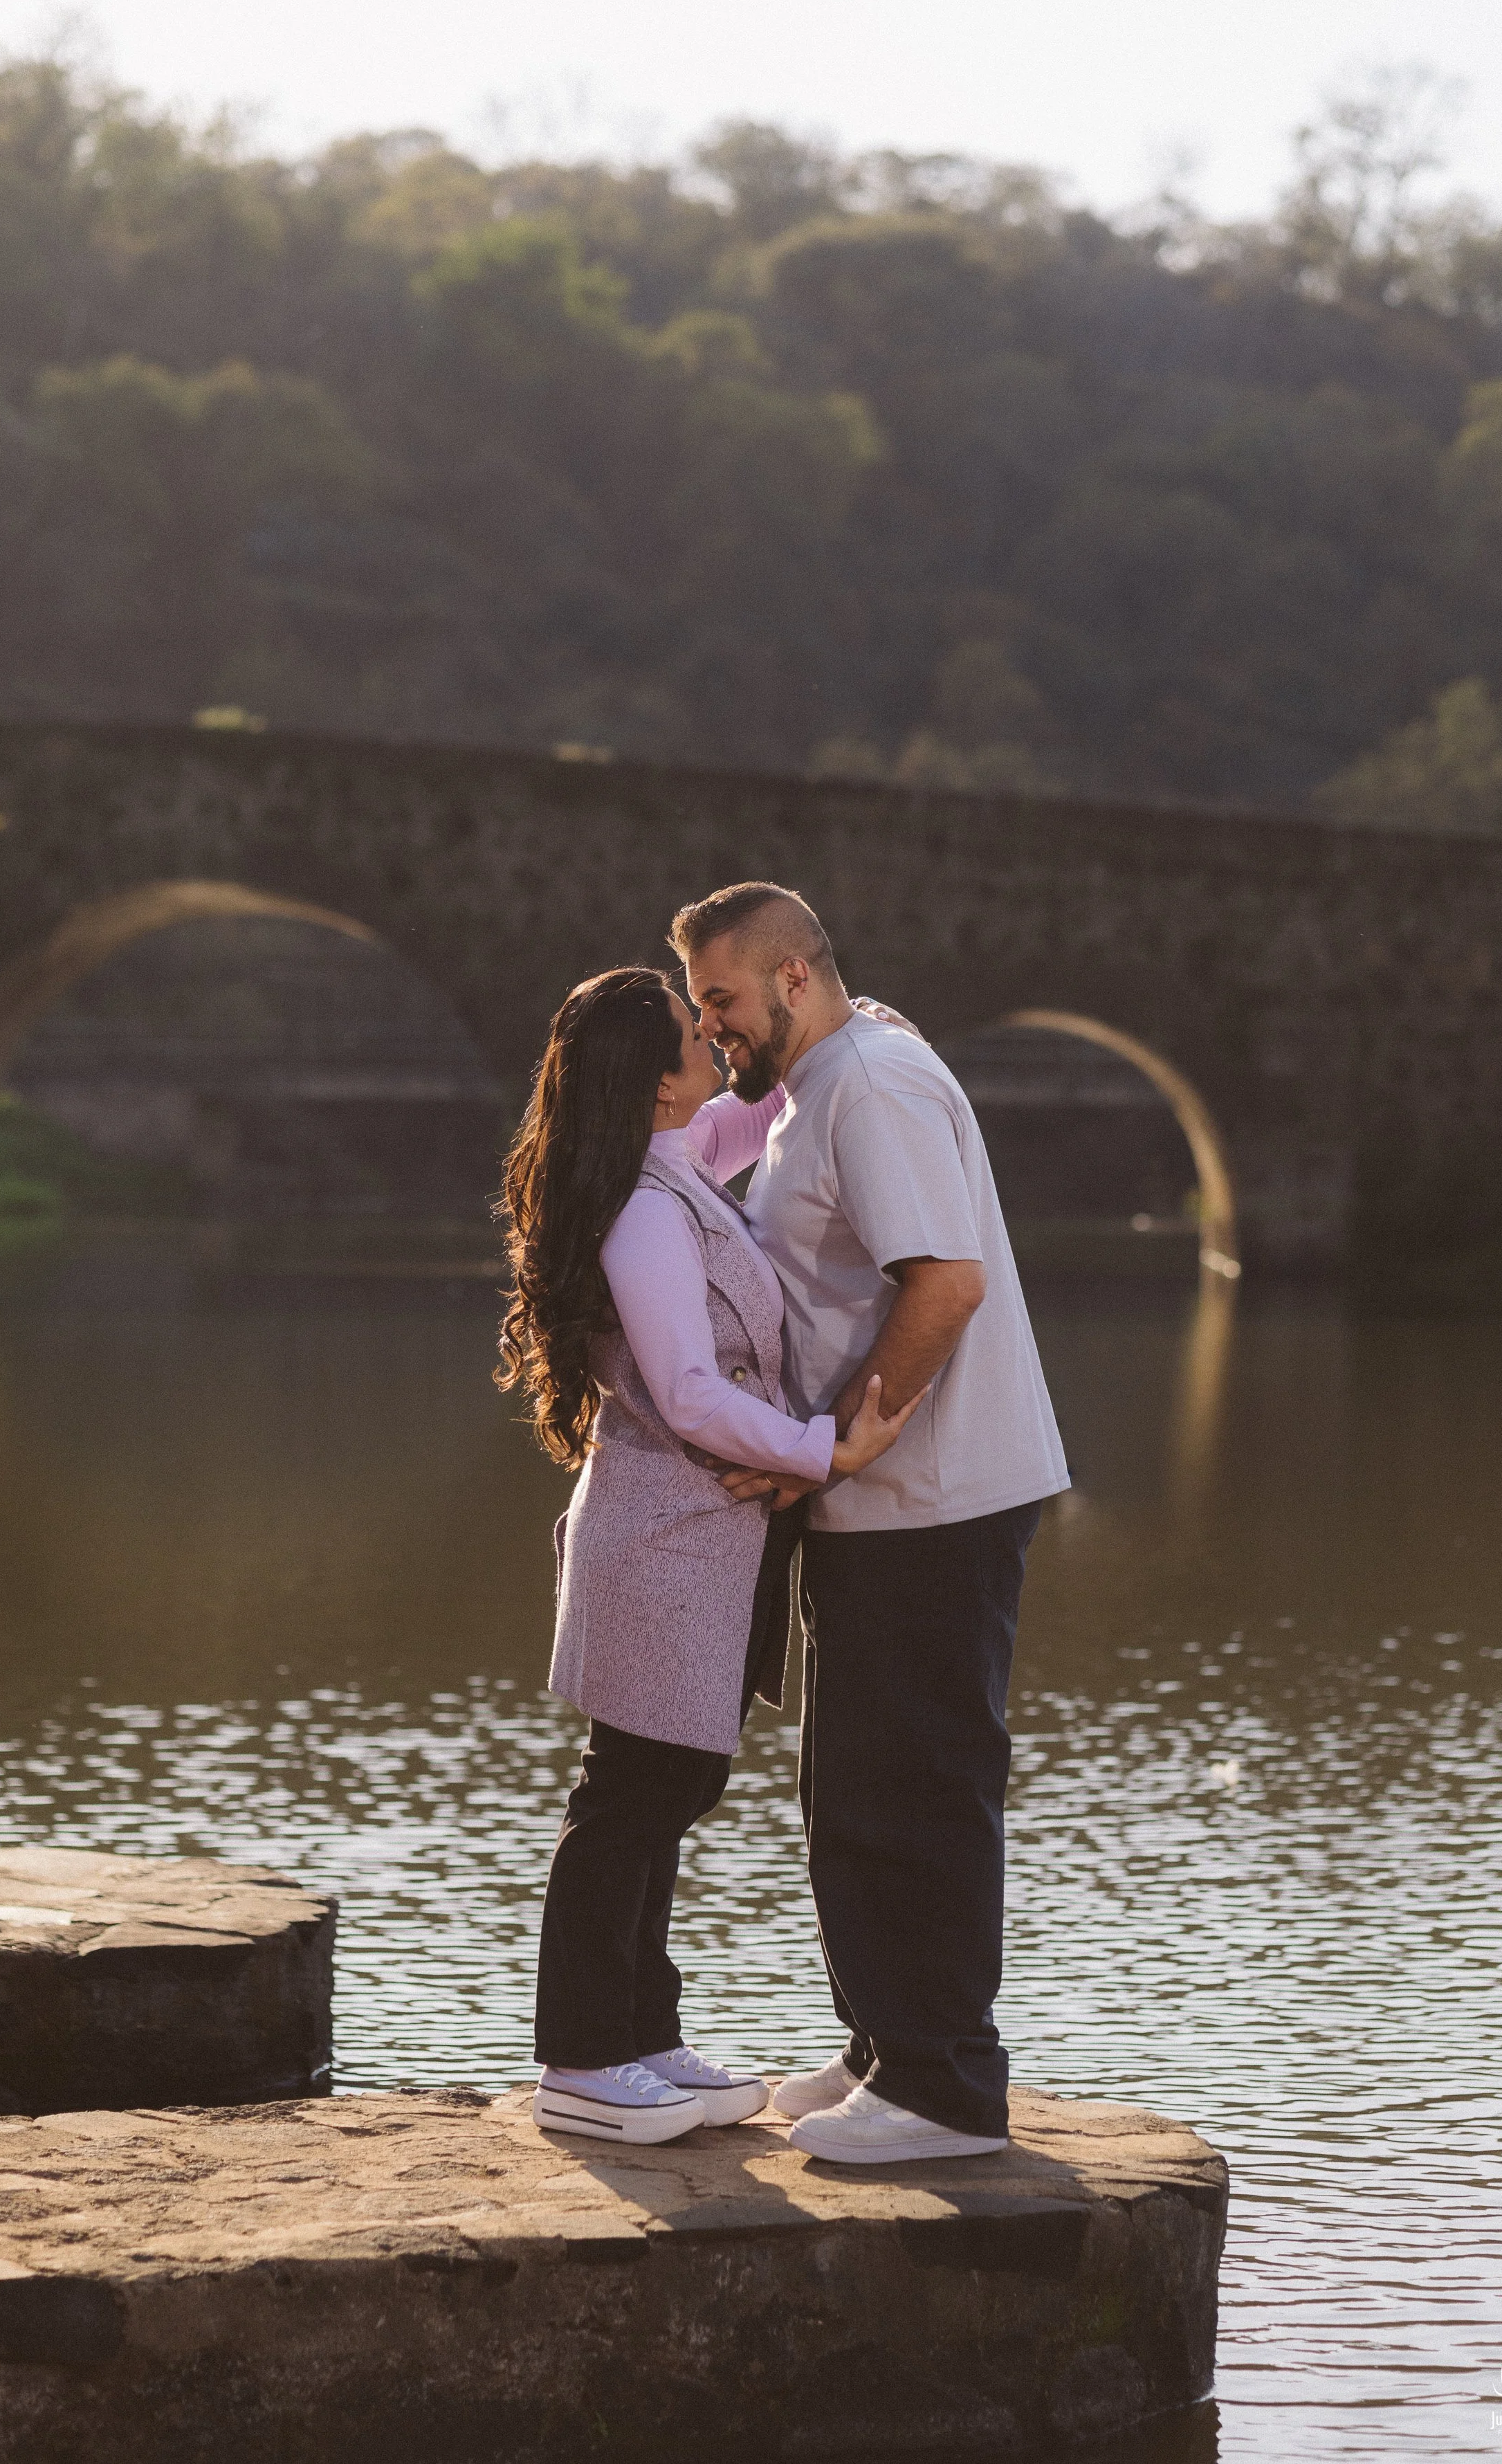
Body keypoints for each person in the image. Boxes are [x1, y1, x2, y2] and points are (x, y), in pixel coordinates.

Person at [673, 883, 1070, 2166]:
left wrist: (829, 1446)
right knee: (849, 1784)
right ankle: (882, 2047)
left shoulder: (873, 1085)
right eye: (697, 1004)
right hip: (874, 1508)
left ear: (793, 977)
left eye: (721, 998)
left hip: (934, 1505)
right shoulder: (814, 1084)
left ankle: (947, 2086)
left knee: (921, 1786)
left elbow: (946, 1285)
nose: (709, 1024)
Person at [495, 965, 923, 2146]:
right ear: (654, 1076)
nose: (714, 1038)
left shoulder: (673, 1162)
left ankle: (641, 2032)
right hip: (661, 1542)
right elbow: (686, 1388)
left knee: (671, 1786)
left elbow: (760, 1103)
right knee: (630, 1793)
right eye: (696, 1030)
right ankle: (584, 2059)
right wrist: (820, 1448)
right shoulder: (639, 1208)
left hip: (703, 1544)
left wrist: (853, 1016)